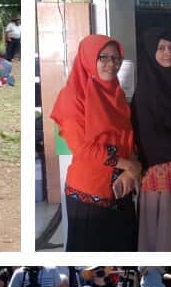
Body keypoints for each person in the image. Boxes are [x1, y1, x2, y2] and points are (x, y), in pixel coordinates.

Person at [50, 34, 139, 250]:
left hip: (121, 188)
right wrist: (129, 166)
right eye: (103, 58)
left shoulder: (115, 93)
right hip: (89, 194)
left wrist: (130, 171)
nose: (111, 64)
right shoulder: (72, 97)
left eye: (116, 58)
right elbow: (83, 148)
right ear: (89, 59)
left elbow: (127, 138)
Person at [132, 28, 171, 251]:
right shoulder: (146, 90)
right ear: (151, 52)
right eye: (161, 48)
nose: (168, 52)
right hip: (158, 173)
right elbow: (149, 134)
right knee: (159, 232)